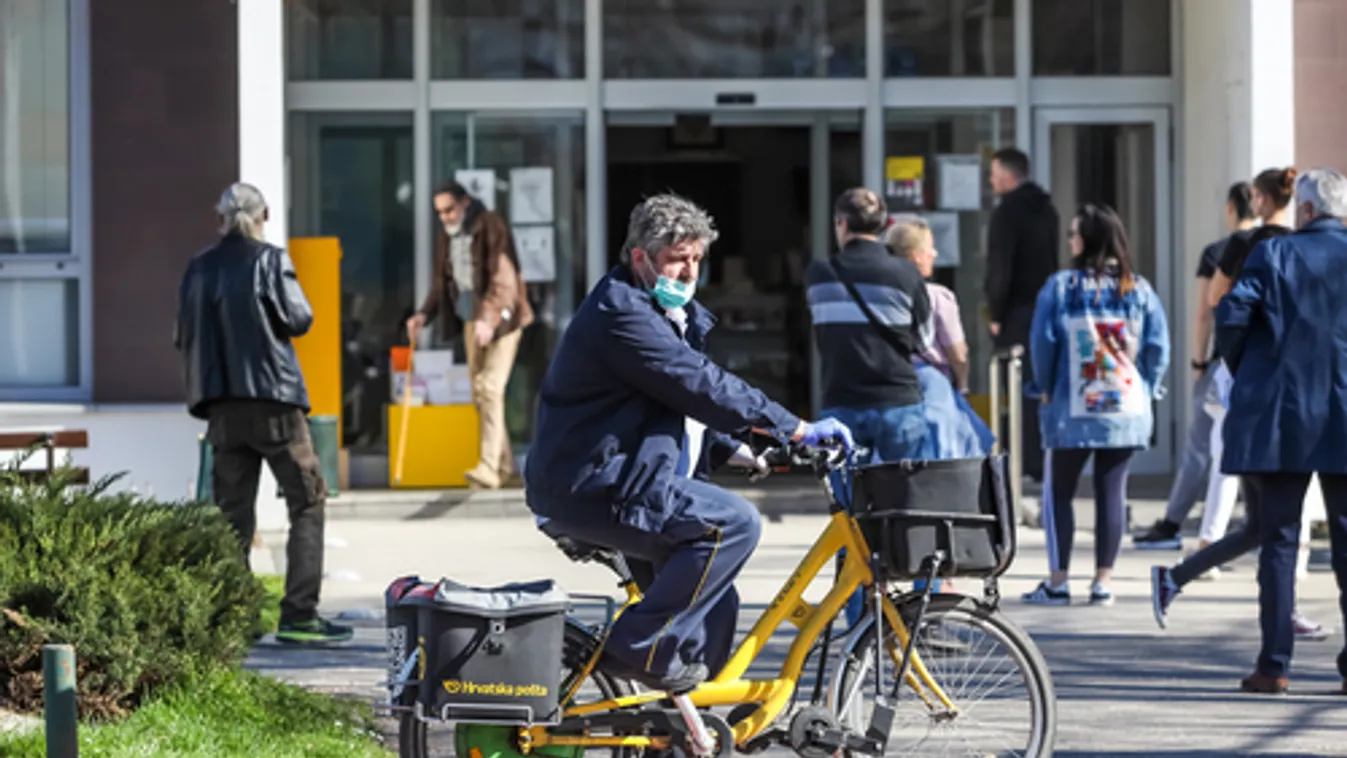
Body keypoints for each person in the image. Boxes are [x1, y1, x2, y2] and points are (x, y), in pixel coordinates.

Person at [524, 193, 854, 693]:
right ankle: (637, 648)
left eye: (697, 259)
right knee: (733, 524)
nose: (689, 270)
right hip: (598, 486)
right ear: (640, 257)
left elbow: (671, 402)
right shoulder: (622, 313)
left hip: (624, 477)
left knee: (716, 610)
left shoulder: (662, 312)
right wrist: (795, 426)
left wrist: (734, 448)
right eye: (679, 258)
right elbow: (696, 381)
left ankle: (678, 736)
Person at [1170, 169, 1347, 694]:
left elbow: (1231, 315)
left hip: (1282, 413)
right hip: (1342, 412)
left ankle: (1274, 665)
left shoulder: (1274, 255)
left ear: (1308, 211)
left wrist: (1250, 365)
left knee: (1279, 541)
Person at [174, 183, 353, 645]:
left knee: (232, 513)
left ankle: (235, 618)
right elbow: (299, 319)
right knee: (307, 500)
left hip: (221, 407)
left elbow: (183, 335)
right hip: (275, 401)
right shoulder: (271, 261)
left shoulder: (197, 268)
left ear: (220, 219)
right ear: (264, 216)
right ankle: (299, 616)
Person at [1022, 204, 1170, 607]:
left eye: (1074, 233)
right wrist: (1148, 388)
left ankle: (1058, 581)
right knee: (1112, 493)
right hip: (1124, 407)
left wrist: (1044, 386)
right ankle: (1103, 582)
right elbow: (1159, 348)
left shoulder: (1061, 286)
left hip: (1073, 407)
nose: (1070, 240)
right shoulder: (1137, 288)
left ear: (1085, 240)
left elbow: (1043, 342)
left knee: (1059, 494)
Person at [1134, 182, 1255, 551]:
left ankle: (1174, 523)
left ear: (1232, 207)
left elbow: (1205, 312)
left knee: (1202, 445)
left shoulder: (1221, 251)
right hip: (1265, 361)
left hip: (1225, 361)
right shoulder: (1278, 246)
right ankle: (1256, 527)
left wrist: (1198, 360)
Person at [406, 181, 534, 490]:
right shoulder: (446, 237)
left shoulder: (490, 225)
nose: (445, 217)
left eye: (449, 209)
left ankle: (489, 468)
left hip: (503, 318)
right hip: (472, 318)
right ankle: (505, 466)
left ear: (465, 202)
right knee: (479, 393)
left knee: (489, 387)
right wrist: (424, 314)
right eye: (440, 212)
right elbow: (442, 281)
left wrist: (489, 320)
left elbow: (503, 280)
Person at [883, 214, 994, 457]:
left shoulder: (882, 295)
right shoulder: (936, 296)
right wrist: (962, 384)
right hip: (932, 390)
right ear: (915, 256)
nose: (934, 254)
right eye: (930, 248)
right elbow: (957, 351)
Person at [985, 148, 1060, 482]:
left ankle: (1026, 462)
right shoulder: (1048, 210)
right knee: (1042, 384)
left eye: (993, 173)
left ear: (1008, 176)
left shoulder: (1007, 213)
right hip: (1047, 307)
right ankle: (1044, 457)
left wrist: (996, 311)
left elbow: (1000, 266)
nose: (990, 180)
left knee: (1018, 387)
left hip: (1018, 311)